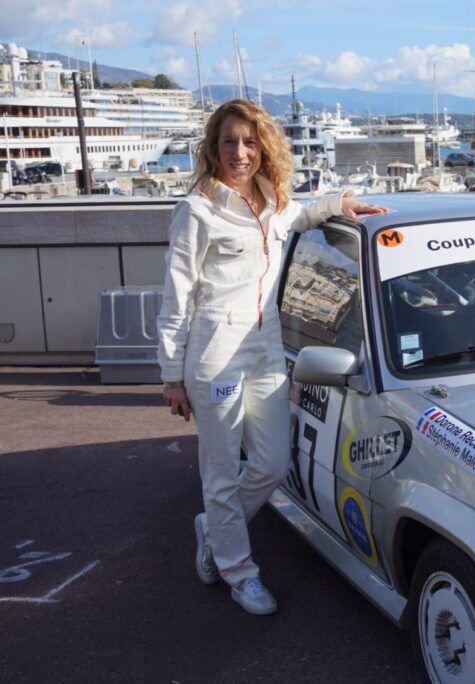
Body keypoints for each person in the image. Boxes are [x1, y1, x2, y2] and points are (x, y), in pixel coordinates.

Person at [157, 99, 388, 615]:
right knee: (220, 471)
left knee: (270, 464)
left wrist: (339, 206)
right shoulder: (196, 210)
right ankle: (240, 571)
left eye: (250, 142)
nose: (240, 153)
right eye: (229, 142)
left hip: (265, 349)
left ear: (264, 147)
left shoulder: (274, 202)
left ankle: (213, 528)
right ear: (213, 149)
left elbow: (303, 214)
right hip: (214, 354)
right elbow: (175, 297)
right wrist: (172, 375)